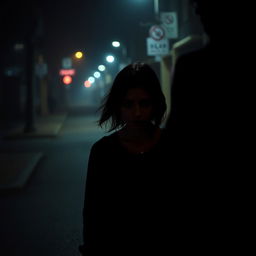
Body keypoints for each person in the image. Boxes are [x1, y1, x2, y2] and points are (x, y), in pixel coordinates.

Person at [79, 62, 172, 254]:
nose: (137, 113)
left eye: (144, 103)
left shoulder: (173, 147)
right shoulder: (103, 152)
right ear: (118, 107)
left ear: (154, 104)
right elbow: (94, 215)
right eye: (128, 104)